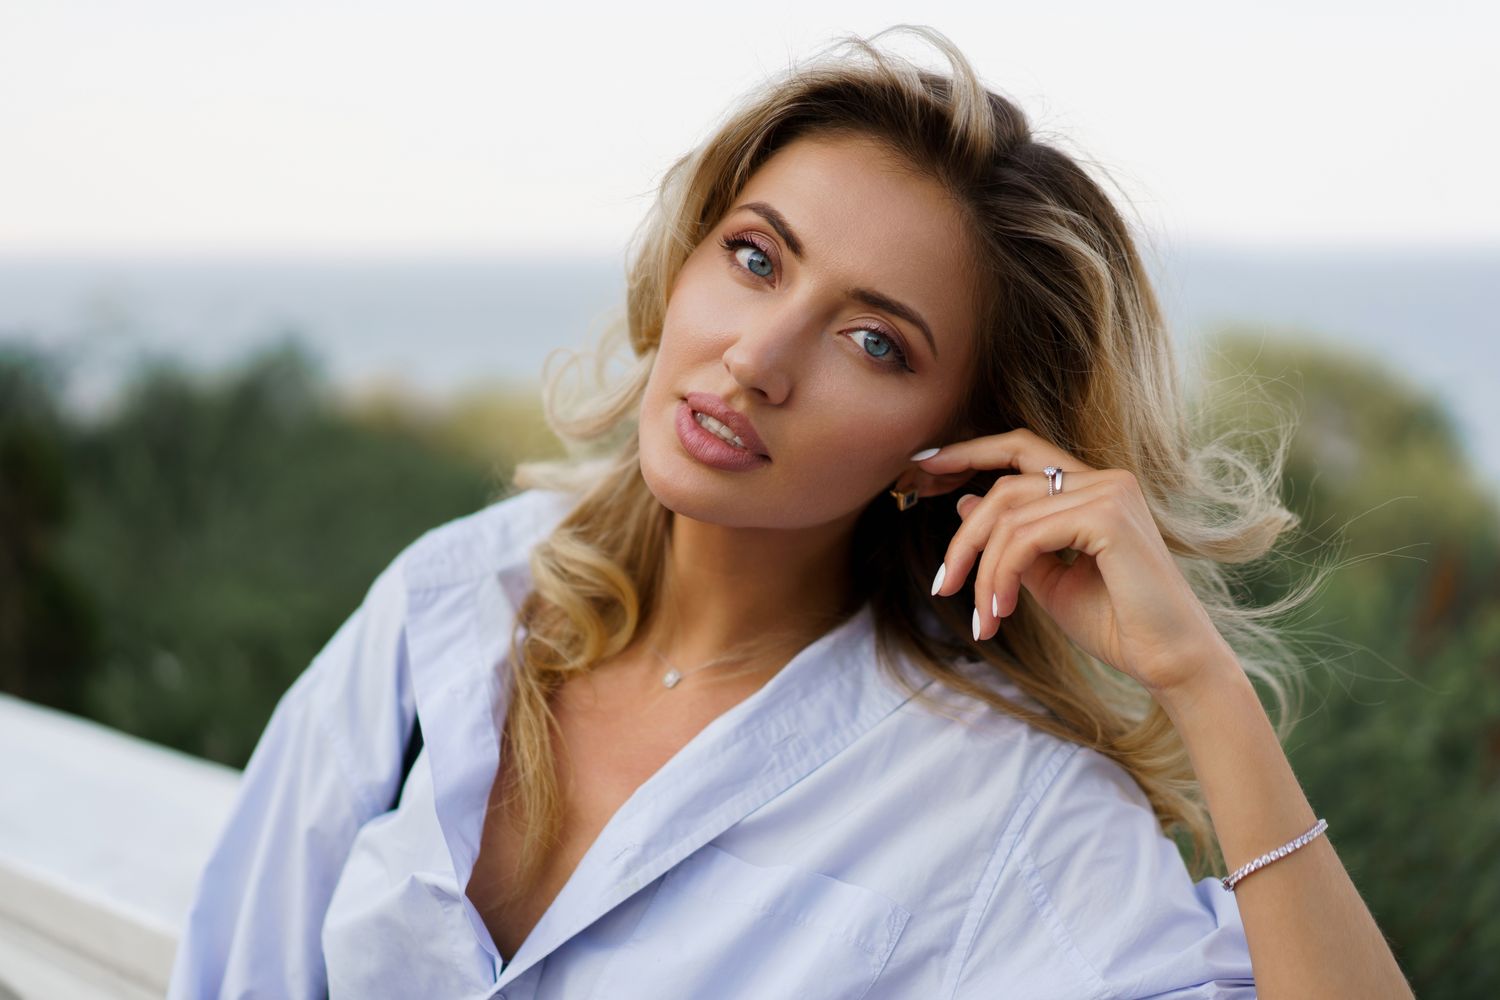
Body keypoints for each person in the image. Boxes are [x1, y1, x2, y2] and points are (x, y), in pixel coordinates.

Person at [167, 23, 1414, 1000]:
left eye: (874, 341)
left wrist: (1201, 681)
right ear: (686, 256)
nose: (758, 358)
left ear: (952, 444)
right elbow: (236, 970)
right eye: (756, 257)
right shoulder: (450, 607)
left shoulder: (1000, 803)